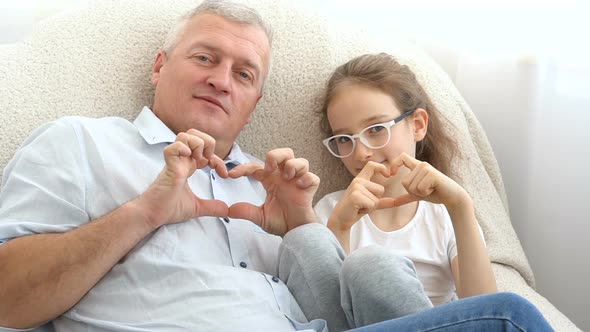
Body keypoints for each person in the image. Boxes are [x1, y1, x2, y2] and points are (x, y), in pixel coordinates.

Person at [0, 2, 553, 332]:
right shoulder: (80, 142)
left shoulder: (268, 187)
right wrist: (145, 212)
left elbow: (334, 300)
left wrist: (300, 224)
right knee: (507, 318)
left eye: (245, 74)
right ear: (160, 66)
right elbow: (8, 298)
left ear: (255, 103)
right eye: (204, 58)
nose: (222, 78)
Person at [314, 52, 497, 310]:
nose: (361, 152)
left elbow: (486, 312)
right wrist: (339, 228)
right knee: (370, 265)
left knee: (515, 309)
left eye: (376, 129)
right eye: (344, 139)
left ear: (418, 125)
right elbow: (327, 311)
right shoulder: (331, 211)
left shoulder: (445, 214)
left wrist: (461, 206)